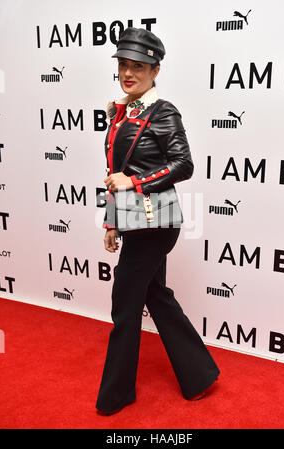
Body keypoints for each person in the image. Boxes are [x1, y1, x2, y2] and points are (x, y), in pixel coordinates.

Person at [96, 27, 220, 415]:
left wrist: (133, 182)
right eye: (123, 66)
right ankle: (199, 375)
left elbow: (184, 165)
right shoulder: (122, 111)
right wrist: (111, 221)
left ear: (155, 70)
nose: (128, 73)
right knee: (155, 296)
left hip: (156, 221)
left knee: (125, 304)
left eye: (138, 67)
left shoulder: (163, 111)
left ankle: (117, 394)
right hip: (134, 218)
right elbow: (115, 170)